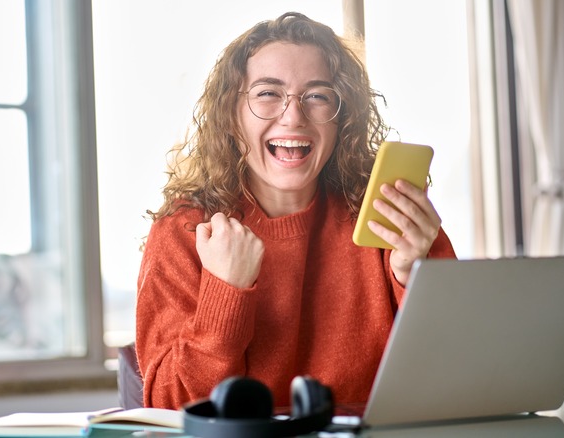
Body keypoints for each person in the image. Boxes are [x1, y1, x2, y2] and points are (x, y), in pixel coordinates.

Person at [136, 11, 456, 411]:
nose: (293, 116)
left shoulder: (391, 217)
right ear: (231, 117)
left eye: (317, 96)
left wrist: (414, 277)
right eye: (268, 93)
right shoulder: (184, 231)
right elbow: (168, 410)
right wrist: (225, 291)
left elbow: (456, 377)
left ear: (343, 118)